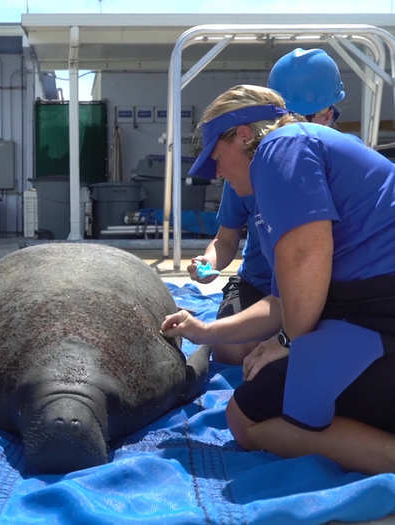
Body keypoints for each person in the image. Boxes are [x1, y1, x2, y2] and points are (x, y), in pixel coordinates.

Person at [162, 84, 395, 474]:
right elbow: (291, 295)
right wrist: (204, 330)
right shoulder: (299, 151)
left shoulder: (280, 148)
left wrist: (289, 340)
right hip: (366, 310)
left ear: (243, 135)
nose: (216, 171)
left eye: (216, 157)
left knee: (245, 418)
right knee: (246, 407)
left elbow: (307, 258)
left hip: (378, 315)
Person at [188, 47, 346, 364]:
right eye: (290, 120)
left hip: (317, 285)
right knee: (234, 347)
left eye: (306, 120)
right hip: (264, 284)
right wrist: (208, 265)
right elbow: (226, 237)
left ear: (328, 115)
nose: (294, 134)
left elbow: (307, 262)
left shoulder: (334, 164)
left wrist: (287, 336)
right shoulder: (245, 173)